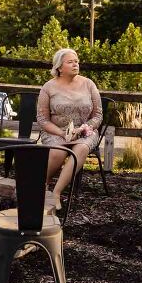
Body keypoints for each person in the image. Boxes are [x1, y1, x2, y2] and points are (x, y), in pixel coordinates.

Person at [37, 48, 103, 210]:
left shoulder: (89, 84)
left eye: (77, 61)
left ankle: (56, 192)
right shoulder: (48, 87)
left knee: (81, 148)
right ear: (59, 67)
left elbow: (98, 115)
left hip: (85, 132)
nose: (75, 64)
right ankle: (41, 185)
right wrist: (62, 133)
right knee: (58, 151)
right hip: (56, 131)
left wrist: (83, 129)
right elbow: (42, 119)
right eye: (70, 62)